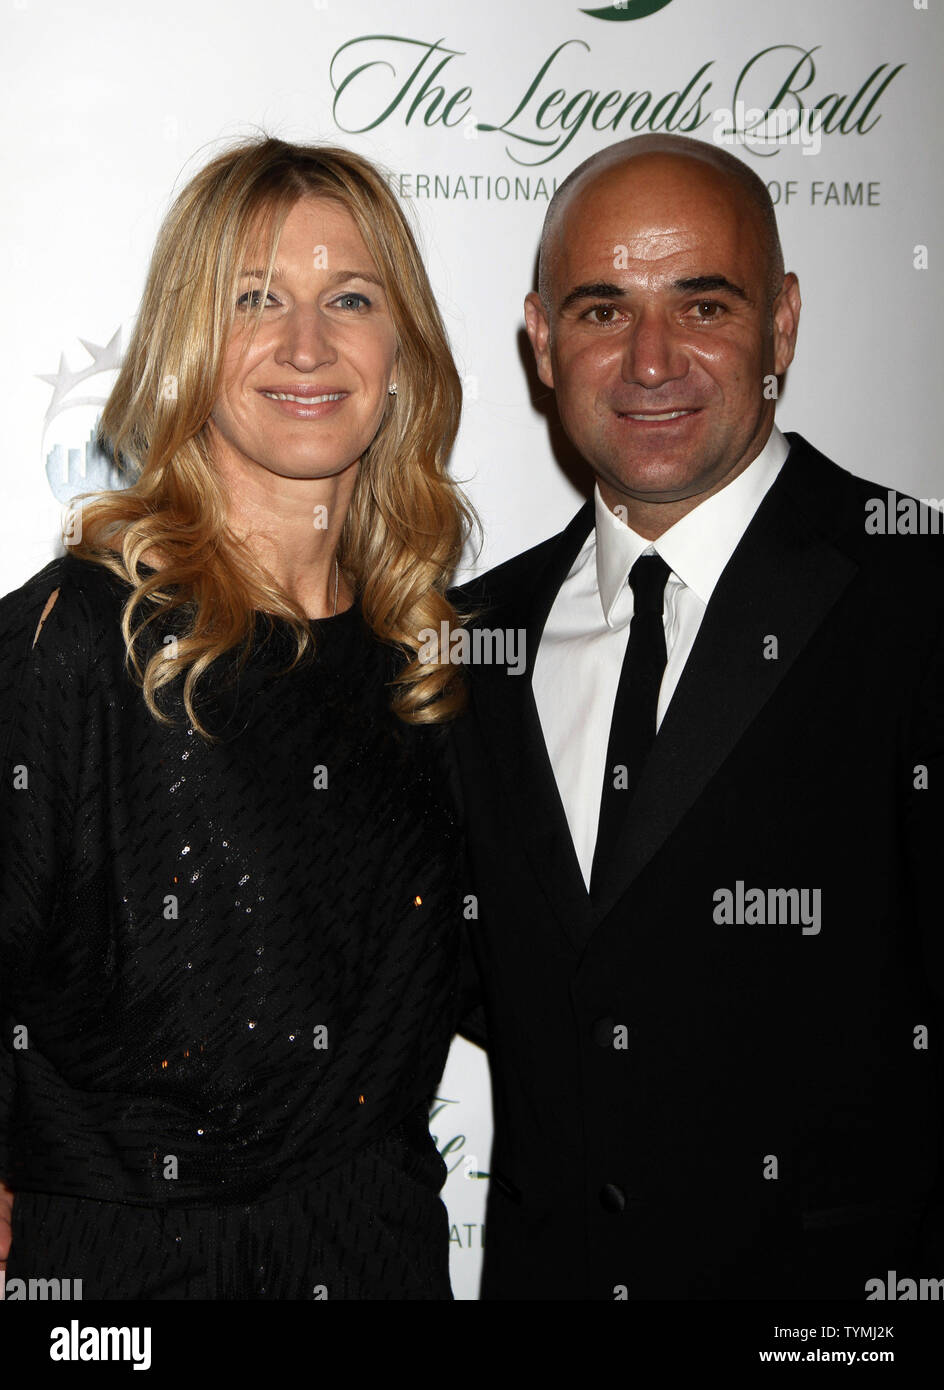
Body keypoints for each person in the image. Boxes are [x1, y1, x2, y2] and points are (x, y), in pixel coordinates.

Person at [452, 133, 944, 1300]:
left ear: (779, 325)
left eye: (702, 304)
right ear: (539, 339)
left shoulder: (915, 595)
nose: (650, 360)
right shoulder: (466, 639)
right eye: (600, 309)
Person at [0, 136, 475, 1299]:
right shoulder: (79, 640)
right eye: (254, 298)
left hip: (378, 1265)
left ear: (400, 348)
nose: (305, 346)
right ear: (186, 348)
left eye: (348, 299)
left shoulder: (440, 665)